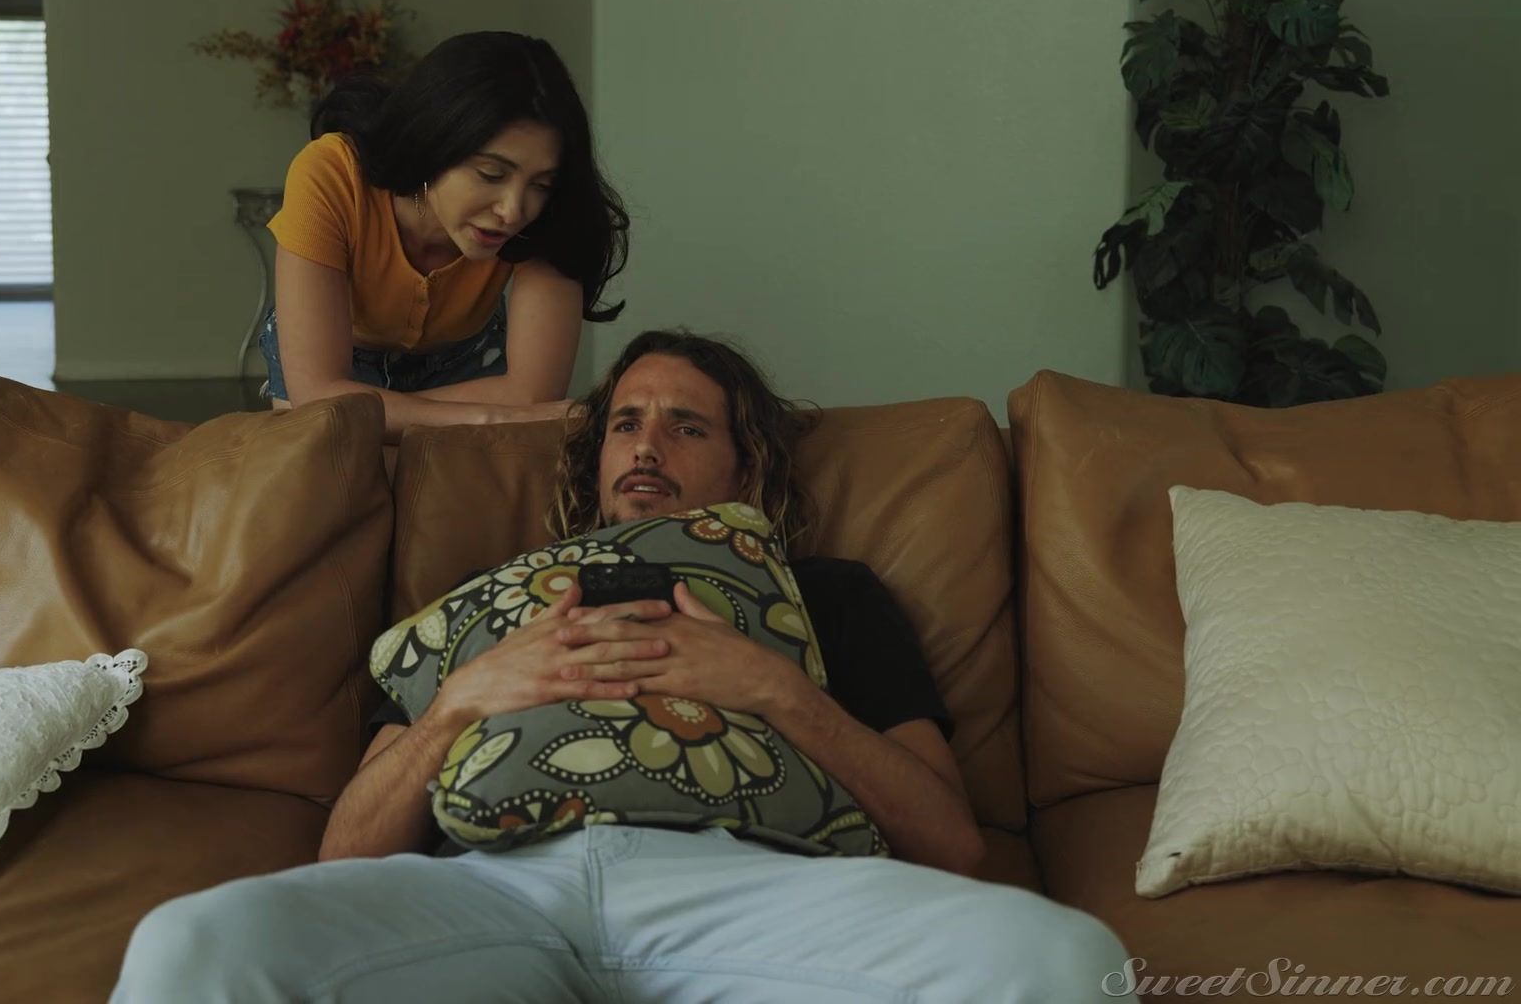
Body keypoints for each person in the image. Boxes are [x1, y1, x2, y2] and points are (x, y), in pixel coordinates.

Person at [114, 331, 1135, 1003]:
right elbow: (345, 854)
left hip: (749, 892)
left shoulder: (827, 594)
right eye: (626, 423)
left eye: (687, 427)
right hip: (499, 894)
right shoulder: (483, 601)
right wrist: (461, 702)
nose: (648, 447)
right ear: (595, 457)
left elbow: (952, 842)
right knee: (190, 946)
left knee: (1063, 961)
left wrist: (772, 689)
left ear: (745, 468)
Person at [260, 31, 629, 442]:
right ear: (434, 143)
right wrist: (493, 418)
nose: (513, 211)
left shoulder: (551, 213)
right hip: (343, 360)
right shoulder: (332, 173)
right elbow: (318, 395)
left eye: (541, 184)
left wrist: (382, 414)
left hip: (467, 364)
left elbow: (533, 393)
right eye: (491, 174)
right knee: (328, 464)